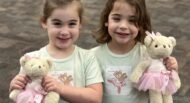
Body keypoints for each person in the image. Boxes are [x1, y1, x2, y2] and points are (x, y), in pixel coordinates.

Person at [9, 0, 103, 103]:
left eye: (71, 24)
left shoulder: (87, 57)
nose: (64, 32)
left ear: (80, 24)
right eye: (57, 23)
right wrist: (14, 87)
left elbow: (95, 98)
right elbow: (22, 96)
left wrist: (60, 88)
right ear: (44, 22)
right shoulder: (31, 59)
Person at [91, 0, 179, 103]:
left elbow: (164, 84)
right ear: (106, 20)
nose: (123, 26)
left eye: (132, 21)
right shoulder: (93, 56)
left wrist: (172, 69)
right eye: (117, 18)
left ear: (141, 24)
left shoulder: (149, 55)